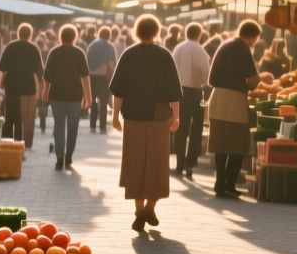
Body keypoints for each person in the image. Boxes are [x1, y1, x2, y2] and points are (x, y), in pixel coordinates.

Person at [110, 15, 181, 233]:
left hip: (133, 117)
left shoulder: (129, 55)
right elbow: (174, 92)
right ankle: (150, 207)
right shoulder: (164, 55)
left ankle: (139, 209)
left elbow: (119, 90)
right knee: (158, 164)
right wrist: (176, 116)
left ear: (136, 32)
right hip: (159, 116)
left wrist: (115, 116)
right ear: (157, 31)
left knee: (135, 162)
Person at [207, 20, 261, 200]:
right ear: (253, 36)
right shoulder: (243, 48)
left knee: (220, 145)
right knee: (239, 145)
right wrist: (260, 80)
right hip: (233, 100)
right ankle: (229, 184)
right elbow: (253, 80)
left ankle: (220, 184)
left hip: (217, 99)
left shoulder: (226, 44)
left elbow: (211, 78)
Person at [42, 25, 93, 169]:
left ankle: (59, 157)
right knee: (73, 127)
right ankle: (69, 156)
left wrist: (45, 92)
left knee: (58, 126)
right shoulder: (79, 53)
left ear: (61, 37)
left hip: (57, 96)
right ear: (74, 37)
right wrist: (88, 97)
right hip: (75, 97)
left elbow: (47, 77)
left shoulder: (54, 52)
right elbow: (85, 77)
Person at [171, 22, 210, 178]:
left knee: (180, 128)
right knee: (196, 129)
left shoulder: (178, 48)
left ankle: (179, 163)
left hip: (179, 92)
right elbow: (206, 73)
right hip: (195, 92)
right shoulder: (200, 50)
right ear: (199, 34)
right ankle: (190, 163)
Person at [0, 23, 44, 149]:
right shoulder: (34, 48)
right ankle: (22, 144)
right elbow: (40, 73)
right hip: (28, 89)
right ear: (30, 34)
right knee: (24, 119)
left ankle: (7, 142)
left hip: (11, 87)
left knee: (10, 117)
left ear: (18, 33)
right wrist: (42, 93)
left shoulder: (10, 47)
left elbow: (1, 69)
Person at [86, 26, 117, 132]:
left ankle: (92, 123)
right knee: (103, 101)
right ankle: (102, 124)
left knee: (93, 100)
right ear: (109, 35)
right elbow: (111, 64)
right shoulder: (109, 47)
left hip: (91, 76)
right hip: (103, 77)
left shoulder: (92, 45)